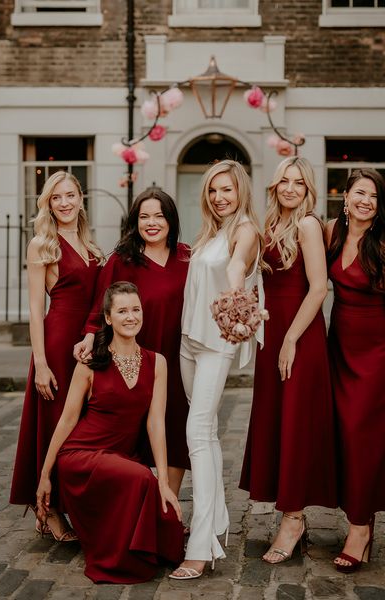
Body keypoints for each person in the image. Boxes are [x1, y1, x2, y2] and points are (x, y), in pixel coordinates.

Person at [36, 281, 184, 584]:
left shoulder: (158, 363)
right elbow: (66, 421)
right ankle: (121, 558)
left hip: (122, 458)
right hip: (82, 456)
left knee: (169, 525)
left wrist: (165, 484)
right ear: (107, 318)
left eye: (135, 309)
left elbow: (155, 423)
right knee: (143, 478)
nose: (130, 317)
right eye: (122, 311)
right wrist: (44, 475)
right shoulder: (89, 364)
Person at [170, 159, 265, 580]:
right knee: (204, 434)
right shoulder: (210, 232)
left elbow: (236, 265)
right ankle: (219, 522)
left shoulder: (245, 229)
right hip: (188, 341)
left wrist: (235, 292)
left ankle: (202, 544)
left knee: (197, 433)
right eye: (212, 190)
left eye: (226, 189)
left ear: (240, 190)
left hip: (217, 343)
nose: (219, 197)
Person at [240, 156, 337, 564]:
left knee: (296, 424)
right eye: (285, 181)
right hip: (272, 334)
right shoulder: (269, 226)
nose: (291, 188)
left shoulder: (308, 225)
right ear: (275, 185)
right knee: (277, 421)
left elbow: (318, 288)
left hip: (300, 336)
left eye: (299, 182)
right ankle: (289, 509)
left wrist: (291, 339)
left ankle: (293, 520)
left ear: (308, 187)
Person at [74, 188, 190, 496]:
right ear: (135, 221)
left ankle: (169, 503)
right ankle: (131, 498)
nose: (152, 223)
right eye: (144, 216)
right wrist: (89, 336)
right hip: (133, 357)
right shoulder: (122, 260)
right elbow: (100, 306)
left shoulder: (187, 257)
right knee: (132, 430)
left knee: (175, 427)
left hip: (177, 357)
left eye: (159, 216)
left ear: (171, 220)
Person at [10, 171, 103, 540]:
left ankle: (74, 503)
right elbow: (35, 310)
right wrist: (42, 364)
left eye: (70, 195)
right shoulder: (41, 244)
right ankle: (47, 509)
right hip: (58, 339)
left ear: (81, 198)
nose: (64, 203)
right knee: (53, 424)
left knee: (80, 424)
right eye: (56, 198)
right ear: (47, 204)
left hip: (89, 342)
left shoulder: (88, 242)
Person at [325, 168, 385, 573]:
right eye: (359, 193)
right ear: (345, 197)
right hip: (338, 344)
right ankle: (363, 515)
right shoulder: (330, 232)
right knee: (343, 435)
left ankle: (359, 529)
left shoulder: (383, 243)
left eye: (374, 196)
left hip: (377, 350)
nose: (365, 201)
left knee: (361, 435)